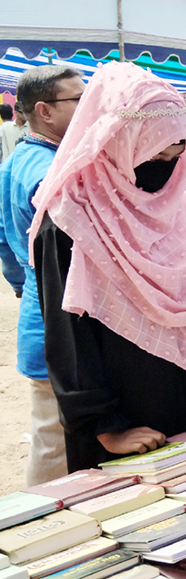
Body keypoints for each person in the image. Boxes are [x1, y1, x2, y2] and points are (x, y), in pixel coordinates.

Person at [30, 62, 186, 472]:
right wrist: (107, 427)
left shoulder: (180, 210)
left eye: (175, 155)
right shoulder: (72, 218)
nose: (164, 168)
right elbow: (67, 333)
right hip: (126, 418)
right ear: (117, 141)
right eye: (154, 155)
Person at [0, 66, 85, 485]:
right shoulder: (47, 170)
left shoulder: (18, 159)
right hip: (54, 323)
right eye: (77, 99)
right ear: (44, 111)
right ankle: (37, 530)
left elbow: (5, 246)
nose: (88, 106)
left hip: (41, 308)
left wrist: (26, 287)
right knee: (54, 443)